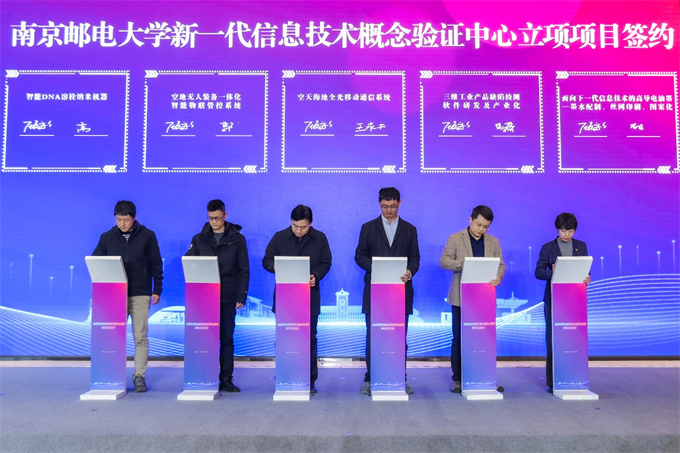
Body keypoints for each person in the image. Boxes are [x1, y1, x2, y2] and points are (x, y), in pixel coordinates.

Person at [92, 200, 163, 393]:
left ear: (134, 217)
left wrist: (157, 289)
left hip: (140, 293)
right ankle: (112, 374)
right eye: (118, 219)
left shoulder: (147, 236)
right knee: (113, 337)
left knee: (140, 337)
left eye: (126, 219)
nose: (122, 223)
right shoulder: (107, 237)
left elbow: (156, 264)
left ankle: (139, 376)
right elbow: (96, 263)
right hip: (115, 295)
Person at [355, 187, 420, 396]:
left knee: (399, 338)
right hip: (375, 291)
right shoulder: (368, 228)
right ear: (379, 204)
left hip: (401, 291)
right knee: (373, 337)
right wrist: (378, 268)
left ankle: (400, 378)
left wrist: (410, 271)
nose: (389, 210)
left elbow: (415, 258)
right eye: (385, 206)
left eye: (392, 206)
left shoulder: (410, 229)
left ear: (399, 203)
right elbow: (359, 255)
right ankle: (371, 378)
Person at [263, 205, 332, 394]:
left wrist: (316, 275)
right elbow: (266, 260)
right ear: (291, 222)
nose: (299, 231)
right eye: (295, 226)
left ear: (311, 223)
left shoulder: (320, 238)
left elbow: (326, 262)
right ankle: (285, 376)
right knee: (285, 338)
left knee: (309, 338)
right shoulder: (279, 237)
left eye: (303, 227)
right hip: (285, 298)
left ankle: (309, 380)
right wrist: (275, 267)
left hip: (309, 296)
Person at [440, 205, 506, 394]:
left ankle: (486, 377)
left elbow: (501, 265)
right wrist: (463, 264)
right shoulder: (455, 238)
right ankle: (458, 379)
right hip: (461, 297)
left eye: (486, 227)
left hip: (484, 298)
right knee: (459, 339)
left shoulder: (493, 242)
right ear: (471, 219)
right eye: (479, 225)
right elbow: (444, 261)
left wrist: (498, 277)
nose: (481, 229)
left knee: (484, 339)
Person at [185, 199, 250, 392]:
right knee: (205, 338)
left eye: (218, 218)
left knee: (227, 339)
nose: (214, 222)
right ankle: (205, 375)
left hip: (228, 295)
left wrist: (241, 295)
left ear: (225, 215)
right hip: (204, 297)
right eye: (211, 218)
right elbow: (189, 265)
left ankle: (226, 379)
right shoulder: (198, 239)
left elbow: (243, 270)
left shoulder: (238, 239)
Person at [535, 212, 590, 393]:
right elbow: (539, 272)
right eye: (563, 231)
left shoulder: (581, 246)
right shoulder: (548, 248)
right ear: (557, 229)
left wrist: (587, 277)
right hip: (554, 300)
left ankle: (575, 377)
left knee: (575, 340)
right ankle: (554, 381)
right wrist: (554, 272)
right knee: (554, 340)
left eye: (570, 231)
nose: (567, 234)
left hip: (575, 300)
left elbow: (584, 271)